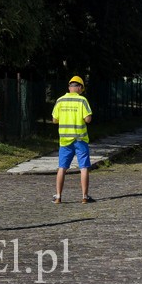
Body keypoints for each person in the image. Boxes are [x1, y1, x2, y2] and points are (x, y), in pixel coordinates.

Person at [53, 76, 94, 204]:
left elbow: (55, 120)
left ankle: (58, 196)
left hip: (65, 139)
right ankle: (84, 196)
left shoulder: (60, 100)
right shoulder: (82, 101)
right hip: (80, 139)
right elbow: (88, 119)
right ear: (80, 87)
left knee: (62, 167)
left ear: (69, 87)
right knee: (84, 167)